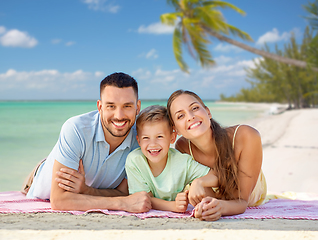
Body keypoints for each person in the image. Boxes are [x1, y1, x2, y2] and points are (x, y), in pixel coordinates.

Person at [25, 72, 151, 212]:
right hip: (40, 178)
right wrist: (122, 204)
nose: (119, 116)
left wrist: (86, 190)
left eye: (127, 106)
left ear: (137, 107)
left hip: (87, 188)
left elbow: (123, 193)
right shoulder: (76, 128)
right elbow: (60, 201)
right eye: (111, 106)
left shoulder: (142, 139)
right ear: (100, 106)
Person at [167, 90, 267, 221]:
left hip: (248, 193)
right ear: (176, 130)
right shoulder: (183, 147)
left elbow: (241, 202)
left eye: (195, 108)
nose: (190, 116)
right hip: (216, 194)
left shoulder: (246, 136)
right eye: (180, 116)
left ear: (208, 112)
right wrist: (204, 208)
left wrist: (200, 183)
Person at [125, 105, 218, 213]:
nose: (153, 144)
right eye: (146, 138)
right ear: (139, 141)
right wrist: (173, 206)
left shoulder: (182, 162)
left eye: (159, 137)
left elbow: (216, 176)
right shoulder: (135, 161)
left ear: (172, 137)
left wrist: (199, 182)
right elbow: (142, 199)